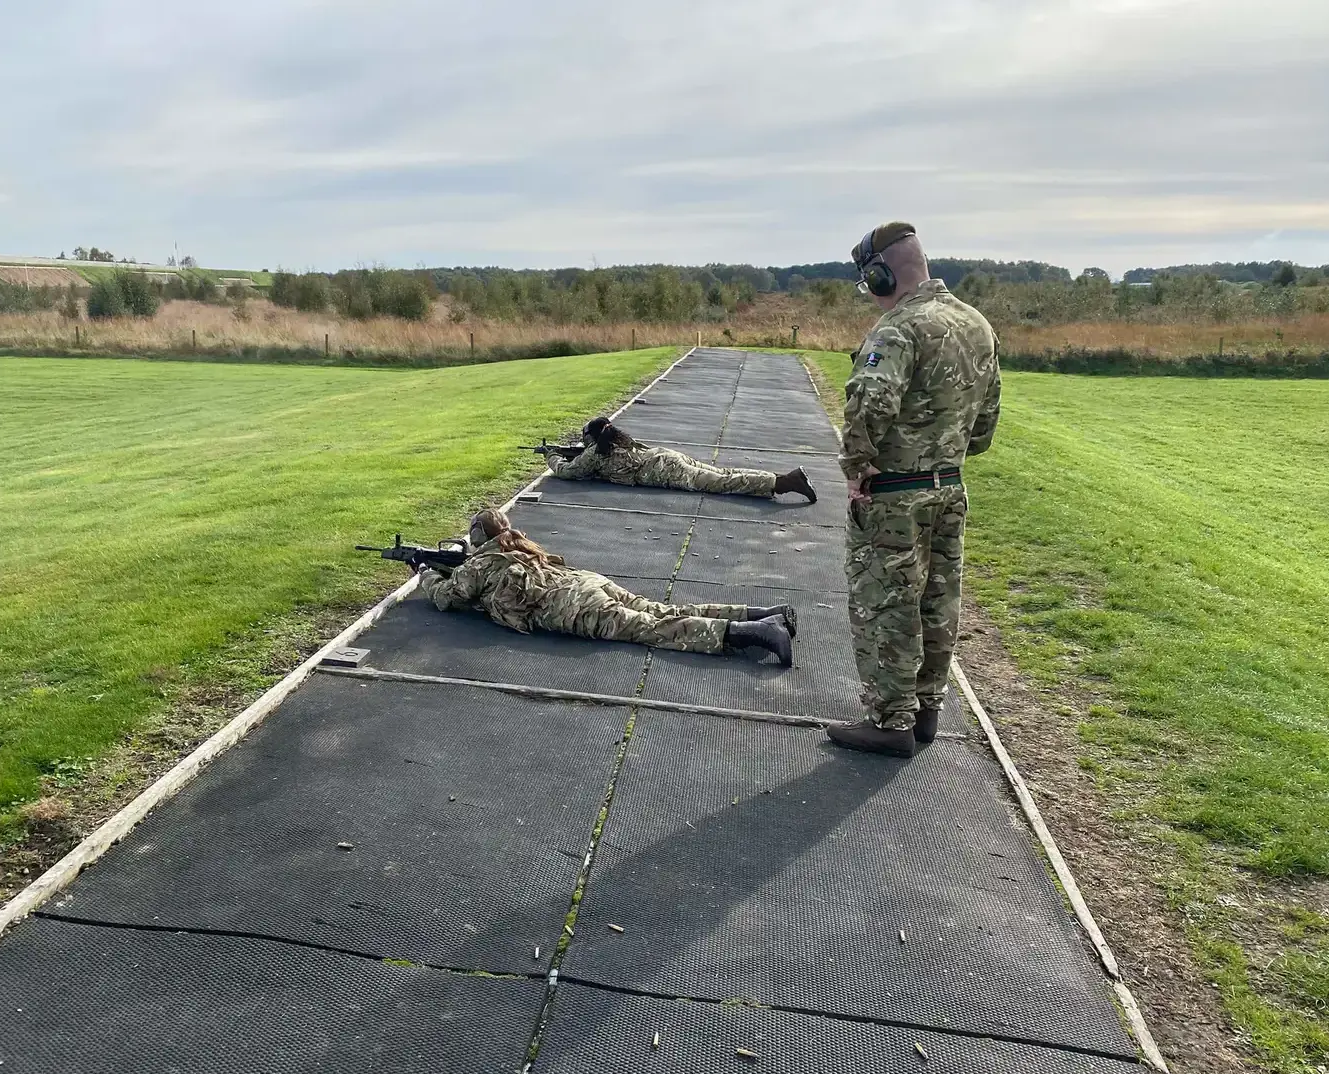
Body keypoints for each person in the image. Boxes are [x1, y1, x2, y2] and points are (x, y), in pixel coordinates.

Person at [826, 222, 1001, 759]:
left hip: (894, 496)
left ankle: (890, 720)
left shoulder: (899, 328)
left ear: (881, 275)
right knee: (937, 600)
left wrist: (856, 471)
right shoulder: (977, 326)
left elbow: (866, 406)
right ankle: (926, 711)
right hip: (949, 489)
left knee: (887, 602)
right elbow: (986, 425)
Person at [419, 508, 797, 665]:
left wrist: (426, 574)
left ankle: (757, 633)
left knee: (655, 629)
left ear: (476, 537)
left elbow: (448, 598)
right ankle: (762, 613)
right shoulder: (518, 545)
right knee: (663, 610)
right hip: (588, 583)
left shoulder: (480, 564)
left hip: (576, 608)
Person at [546, 417, 817, 503]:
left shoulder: (594, 453)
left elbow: (569, 472)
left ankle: (784, 482)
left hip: (665, 472)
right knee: (724, 473)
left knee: (721, 483)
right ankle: (780, 478)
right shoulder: (617, 440)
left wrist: (553, 457)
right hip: (666, 456)